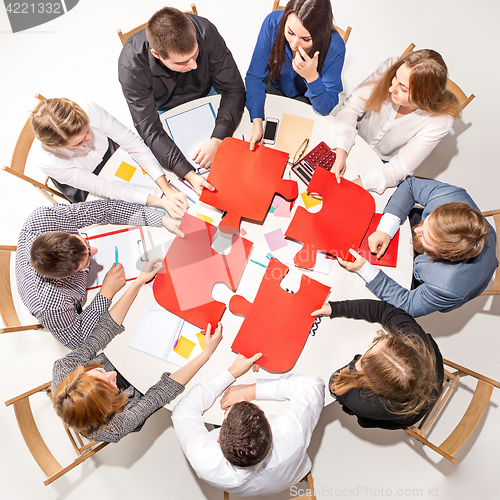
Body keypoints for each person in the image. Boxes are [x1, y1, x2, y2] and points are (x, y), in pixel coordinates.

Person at [51, 260, 223, 443]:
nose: (111, 374)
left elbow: (103, 330)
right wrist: (206, 353)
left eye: (100, 371)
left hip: (125, 355)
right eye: (110, 385)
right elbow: (159, 394)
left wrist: (139, 281)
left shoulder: (65, 369)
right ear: (107, 406)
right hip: (142, 392)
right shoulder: (114, 428)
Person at [16, 198, 184, 348]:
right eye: (88, 260)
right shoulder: (50, 304)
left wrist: (160, 219)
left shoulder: (43, 218)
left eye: (85, 242)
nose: (94, 250)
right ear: (65, 277)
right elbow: (78, 339)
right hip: (69, 308)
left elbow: (105, 209)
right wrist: (106, 292)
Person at [118, 6, 246, 194]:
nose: (193, 65)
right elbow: (150, 129)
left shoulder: (205, 31)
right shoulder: (131, 66)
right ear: (157, 55)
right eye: (182, 62)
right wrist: (189, 174)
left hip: (208, 92)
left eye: (195, 54)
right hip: (164, 110)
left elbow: (233, 89)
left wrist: (218, 139)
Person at [337, 177, 497, 317]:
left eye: (425, 238)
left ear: (447, 257)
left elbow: (408, 305)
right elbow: (410, 185)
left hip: (438, 281)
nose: (416, 230)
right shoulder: (450, 196)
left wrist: (365, 270)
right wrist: (385, 228)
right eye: (425, 223)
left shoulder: (447, 287)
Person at [172, 353, 324, 497]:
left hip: (269, 482)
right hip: (290, 476)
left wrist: (231, 373)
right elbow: (314, 385)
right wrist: (253, 390)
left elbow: (182, 411)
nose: (243, 398)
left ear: (218, 438)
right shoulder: (292, 435)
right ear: (271, 441)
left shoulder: (203, 460)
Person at [331, 49, 461, 194]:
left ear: (424, 96)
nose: (391, 88)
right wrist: (341, 151)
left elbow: (399, 168)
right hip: (352, 137)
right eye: (395, 77)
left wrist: (350, 186)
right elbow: (352, 107)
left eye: (403, 89)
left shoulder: (440, 121)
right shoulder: (391, 66)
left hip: (382, 167)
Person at [31, 97, 188, 215]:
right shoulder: (48, 161)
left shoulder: (87, 107)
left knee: (148, 177)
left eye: (88, 130)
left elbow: (133, 143)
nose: (89, 138)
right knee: (125, 214)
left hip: (108, 151)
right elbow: (104, 187)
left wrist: (166, 188)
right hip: (84, 181)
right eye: (79, 142)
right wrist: (159, 202)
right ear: (58, 147)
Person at [312, 299, 444, 429]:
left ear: (369, 381)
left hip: (402, 416)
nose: (370, 344)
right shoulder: (414, 337)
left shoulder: (366, 402)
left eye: (368, 353)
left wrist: (356, 365)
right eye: (382, 340)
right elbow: (383, 310)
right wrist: (335, 308)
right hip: (432, 376)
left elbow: (335, 384)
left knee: (363, 416)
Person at [246, 0, 345, 149]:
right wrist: (257, 122)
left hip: (308, 101)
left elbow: (326, 107)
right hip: (273, 86)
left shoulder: (335, 47)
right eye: (290, 32)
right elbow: (255, 76)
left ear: (320, 35)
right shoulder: (273, 23)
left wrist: (312, 78)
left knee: (293, 150)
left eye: (306, 39)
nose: (294, 44)